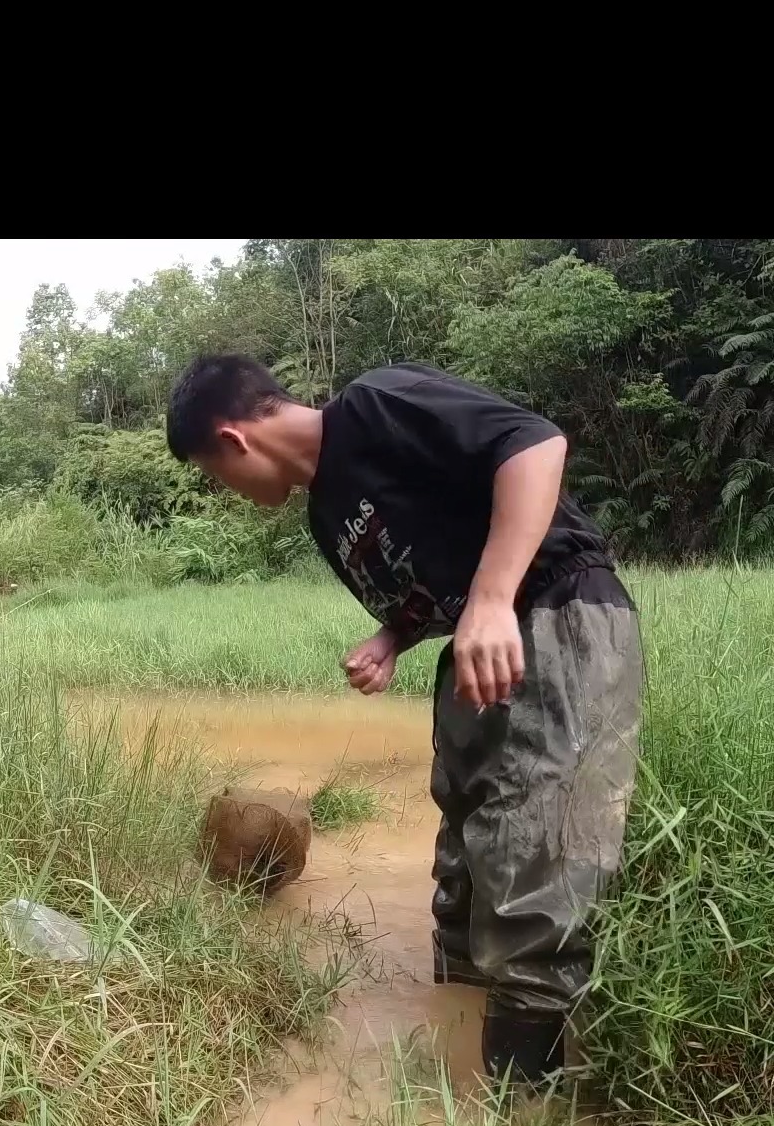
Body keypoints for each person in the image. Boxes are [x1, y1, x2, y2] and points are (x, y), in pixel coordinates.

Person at [166, 354, 643, 1089]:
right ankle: (450, 1041)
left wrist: (489, 599)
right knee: (466, 843)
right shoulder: (327, 516)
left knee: (539, 838)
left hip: (556, 605)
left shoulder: (374, 406)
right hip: (475, 645)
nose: (222, 490)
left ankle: (519, 1105)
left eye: (211, 473)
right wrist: (392, 639)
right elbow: (423, 587)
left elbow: (535, 443)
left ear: (233, 440)